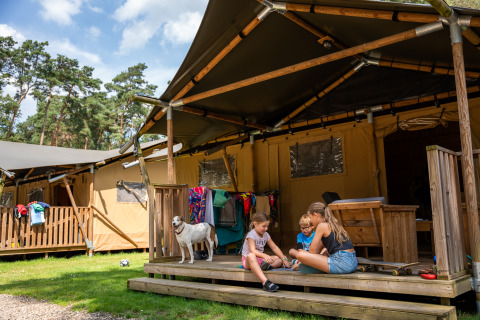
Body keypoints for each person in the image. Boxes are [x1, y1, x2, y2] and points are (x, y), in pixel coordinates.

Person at [289, 202, 357, 274]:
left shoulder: (321, 226)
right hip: (352, 263)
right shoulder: (334, 224)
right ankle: (304, 266)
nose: (311, 222)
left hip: (341, 264)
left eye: (310, 218)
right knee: (324, 253)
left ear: (315, 215)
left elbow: (312, 252)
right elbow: (316, 252)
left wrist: (304, 261)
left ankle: (302, 266)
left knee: (300, 255)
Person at [241, 212, 290, 292]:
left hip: (260, 260)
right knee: (251, 255)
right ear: (255, 224)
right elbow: (253, 250)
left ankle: (263, 267)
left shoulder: (266, 235)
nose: (266, 229)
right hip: (248, 261)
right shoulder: (251, 235)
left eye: (267, 226)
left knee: (279, 258)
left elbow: (274, 247)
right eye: (264, 226)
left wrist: (284, 259)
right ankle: (265, 282)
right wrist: (265, 256)